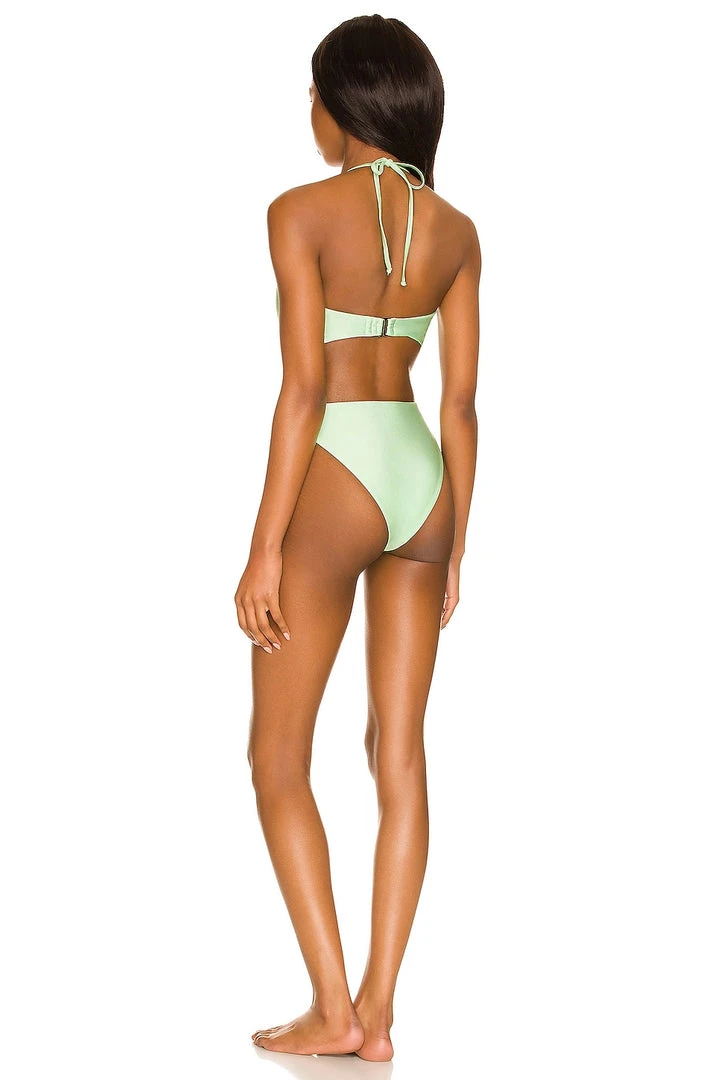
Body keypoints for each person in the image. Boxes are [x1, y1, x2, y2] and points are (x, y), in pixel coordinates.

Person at [234, 13, 481, 1062]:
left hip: (337, 462)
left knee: (276, 757)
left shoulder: (299, 211)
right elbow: (459, 403)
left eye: (313, 94)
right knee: (400, 753)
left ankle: (334, 1008)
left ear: (344, 105)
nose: (309, 111)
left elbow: (302, 391)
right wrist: (455, 544)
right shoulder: (456, 229)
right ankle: (378, 1015)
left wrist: (263, 548)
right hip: (421, 476)